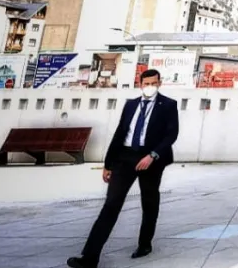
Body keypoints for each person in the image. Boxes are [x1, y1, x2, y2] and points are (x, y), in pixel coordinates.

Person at [67, 69, 179, 268]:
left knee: (149, 202)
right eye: (146, 83)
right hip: (125, 158)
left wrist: (152, 156)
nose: (150, 87)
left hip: (151, 158)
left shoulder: (168, 105)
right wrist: (108, 164)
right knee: (111, 204)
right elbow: (120, 133)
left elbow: (171, 135)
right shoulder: (131, 105)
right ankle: (90, 257)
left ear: (159, 83)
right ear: (141, 84)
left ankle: (145, 244)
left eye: (154, 83)